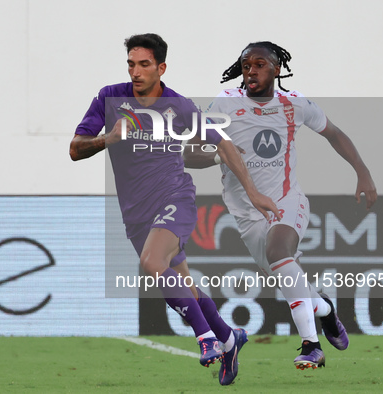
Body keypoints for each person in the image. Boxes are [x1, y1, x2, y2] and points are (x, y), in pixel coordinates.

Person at [70, 33, 280, 385]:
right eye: (131, 64)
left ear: (161, 67)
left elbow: (222, 143)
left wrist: (254, 193)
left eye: (144, 65)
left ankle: (206, 340)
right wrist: (108, 138)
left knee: (152, 263)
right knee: (185, 288)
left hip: (174, 199)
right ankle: (229, 339)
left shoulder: (178, 106)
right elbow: (75, 149)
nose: (136, 72)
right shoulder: (109, 98)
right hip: (135, 214)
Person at [184, 41, 377, 370]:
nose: (251, 71)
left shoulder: (294, 104)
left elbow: (334, 133)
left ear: (277, 68)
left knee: (279, 252)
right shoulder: (225, 104)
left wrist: (363, 172)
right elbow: (189, 154)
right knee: (289, 278)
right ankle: (326, 310)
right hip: (246, 213)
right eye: (246, 65)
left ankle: (311, 345)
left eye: (260, 64)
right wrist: (220, 155)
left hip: (287, 200)